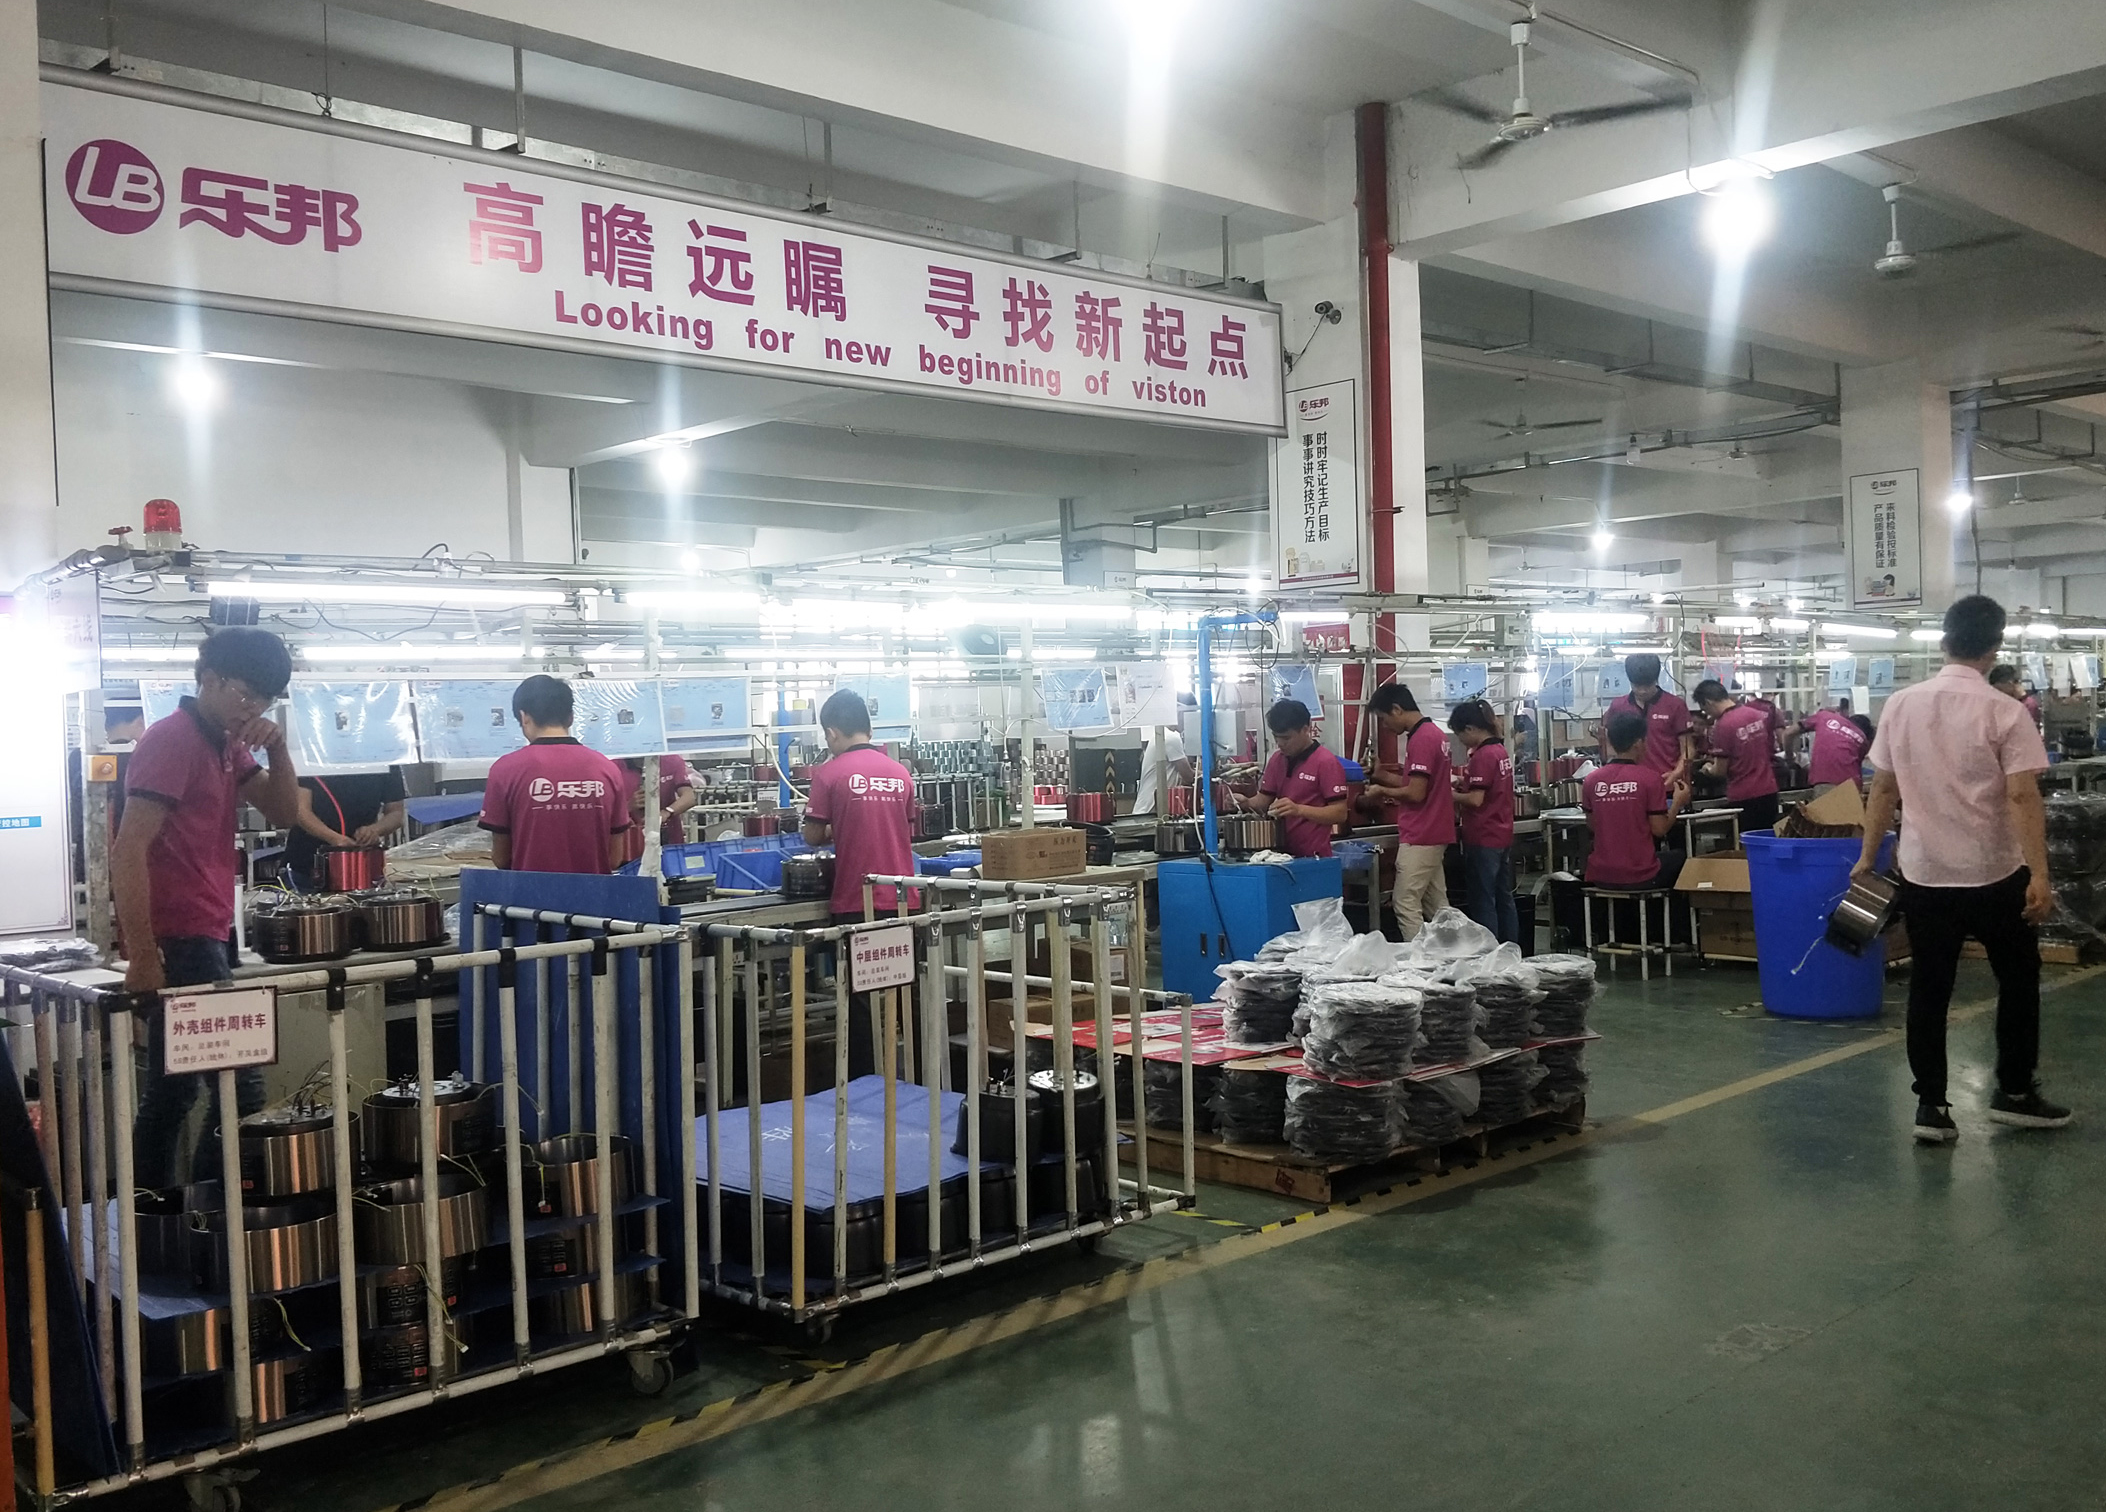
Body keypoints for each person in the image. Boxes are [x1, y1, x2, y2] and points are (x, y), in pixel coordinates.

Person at [1854, 595, 2067, 1143]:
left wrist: (1866, 856)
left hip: (1925, 874)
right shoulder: (2005, 711)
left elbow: (1882, 789)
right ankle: (2014, 1093)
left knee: (1930, 987)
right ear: (1995, 647)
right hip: (1996, 873)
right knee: (2018, 979)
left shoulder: (1900, 704)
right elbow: (2022, 796)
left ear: (1944, 641)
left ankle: (1931, 1107)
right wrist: (2040, 874)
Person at [115, 629, 299, 1188]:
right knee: (236, 1088)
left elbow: (284, 813)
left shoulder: (225, 742)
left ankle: (158, 1209)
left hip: (208, 932)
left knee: (177, 1089)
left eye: (264, 699)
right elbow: (129, 848)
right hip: (181, 938)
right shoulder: (172, 740)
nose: (254, 708)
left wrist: (278, 748)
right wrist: (142, 953)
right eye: (246, 694)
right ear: (210, 680)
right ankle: (201, 1209)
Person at [802, 689, 917, 1076]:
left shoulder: (829, 774)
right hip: (903, 898)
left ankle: (865, 1083)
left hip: (856, 899)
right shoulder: (900, 773)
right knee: (905, 990)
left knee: (861, 997)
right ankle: (920, 1078)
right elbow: (903, 829)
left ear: (832, 732)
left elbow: (812, 835)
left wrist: (838, 825)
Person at [479, 675, 630, 873]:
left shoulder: (504, 770)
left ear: (524, 717)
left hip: (530, 891)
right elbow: (614, 858)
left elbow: (501, 858)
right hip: (595, 891)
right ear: (571, 717)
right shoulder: (607, 769)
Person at [1366, 682, 1453, 939]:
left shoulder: (1422, 739)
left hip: (1421, 834)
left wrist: (1381, 791)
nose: (1385, 726)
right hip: (1435, 831)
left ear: (1397, 709)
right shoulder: (1434, 734)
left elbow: (1415, 793)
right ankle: (1456, 952)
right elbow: (1414, 782)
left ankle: (1420, 958)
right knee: (1438, 907)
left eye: (1384, 719)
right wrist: (1381, 775)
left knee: (1404, 902)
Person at [1582, 710, 1692, 889]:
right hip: (1640, 874)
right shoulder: (1650, 779)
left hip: (1600, 874)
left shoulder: (1591, 780)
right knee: (1681, 857)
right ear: (1638, 743)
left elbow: (1593, 825)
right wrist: (1678, 802)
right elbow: (1659, 829)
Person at [1240, 699, 1350, 857]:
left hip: (1314, 857)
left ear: (1306, 729)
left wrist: (1299, 810)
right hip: (1280, 855)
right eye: (1276, 737)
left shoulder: (1325, 762)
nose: (1280, 743)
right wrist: (1246, 802)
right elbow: (1263, 801)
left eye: (1286, 738)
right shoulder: (1277, 760)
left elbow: (1339, 813)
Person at [1450, 700, 1519, 945]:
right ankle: (1511, 948)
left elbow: (1476, 799)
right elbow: (1488, 787)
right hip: (1502, 833)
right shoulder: (1500, 751)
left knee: (1483, 900)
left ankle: (1488, 952)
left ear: (1470, 729)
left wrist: (1448, 794)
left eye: (1459, 734)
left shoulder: (1482, 755)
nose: (1461, 741)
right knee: (1504, 897)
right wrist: (1462, 781)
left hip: (1483, 836)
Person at [286, 769, 407, 884]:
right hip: (307, 865)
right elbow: (301, 812)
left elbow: (396, 812)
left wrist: (374, 830)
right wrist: (335, 839)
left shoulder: (384, 763)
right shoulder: (311, 762)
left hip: (361, 865)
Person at [1695, 678, 1780, 832]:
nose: (1707, 715)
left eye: (1705, 710)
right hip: (1769, 790)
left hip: (1744, 796)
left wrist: (1707, 768)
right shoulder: (1756, 715)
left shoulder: (1723, 725)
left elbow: (1720, 770)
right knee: (1766, 839)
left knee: (1747, 842)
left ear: (1708, 702)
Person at [1598, 653, 1693, 779]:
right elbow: (1607, 741)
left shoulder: (1675, 705)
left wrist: (1676, 774)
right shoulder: (1618, 706)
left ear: (1656, 680)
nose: (1642, 691)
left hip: (1665, 779)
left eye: (1648, 685)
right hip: (1629, 781)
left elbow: (1688, 749)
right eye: (1637, 685)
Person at [616, 755, 699, 864]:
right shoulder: (614, 766)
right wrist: (628, 806)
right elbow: (607, 809)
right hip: (629, 846)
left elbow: (689, 797)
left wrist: (667, 812)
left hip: (668, 841)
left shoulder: (672, 761)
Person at [1794, 699, 1870, 796]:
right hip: (1851, 784)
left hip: (1825, 781)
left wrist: (1789, 757)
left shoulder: (1824, 716)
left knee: (1827, 805)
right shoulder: (1862, 739)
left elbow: (1788, 733)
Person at [1132, 718, 1193, 817]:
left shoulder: (1160, 735)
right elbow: (1189, 776)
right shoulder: (1170, 738)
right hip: (1150, 812)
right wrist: (1209, 775)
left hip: (1147, 810)